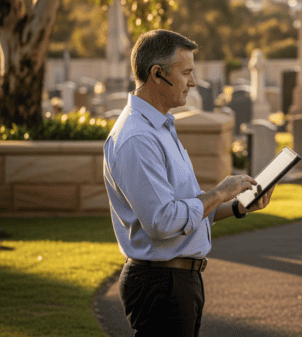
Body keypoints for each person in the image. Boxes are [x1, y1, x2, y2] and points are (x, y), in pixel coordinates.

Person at [103, 29, 271, 336]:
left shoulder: (161, 127)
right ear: (157, 74)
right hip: (162, 286)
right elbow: (163, 222)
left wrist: (235, 206)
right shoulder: (138, 138)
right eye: (186, 73)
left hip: (178, 283)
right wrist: (219, 192)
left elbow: (188, 210)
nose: (192, 82)